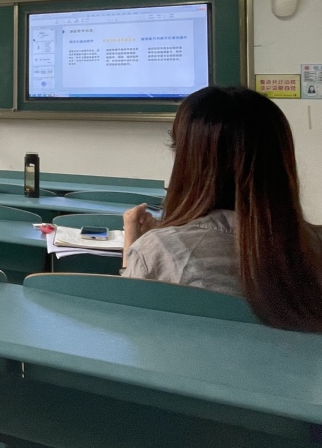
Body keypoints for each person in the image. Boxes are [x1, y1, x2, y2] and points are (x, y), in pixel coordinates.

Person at [122, 85, 322, 332]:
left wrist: (133, 245)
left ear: (188, 160)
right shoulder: (314, 245)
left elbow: (127, 328)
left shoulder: (158, 250)